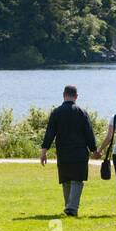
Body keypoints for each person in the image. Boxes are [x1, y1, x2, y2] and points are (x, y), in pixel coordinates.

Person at [40, 85, 98, 217]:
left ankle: (69, 207)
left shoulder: (56, 112)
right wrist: (94, 150)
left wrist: (44, 151)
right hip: (79, 153)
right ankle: (71, 208)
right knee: (77, 179)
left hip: (63, 152)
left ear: (63, 95)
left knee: (66, 180)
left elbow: (49, 133)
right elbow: (89, 133)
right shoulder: (82, 112)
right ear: (76, 96)